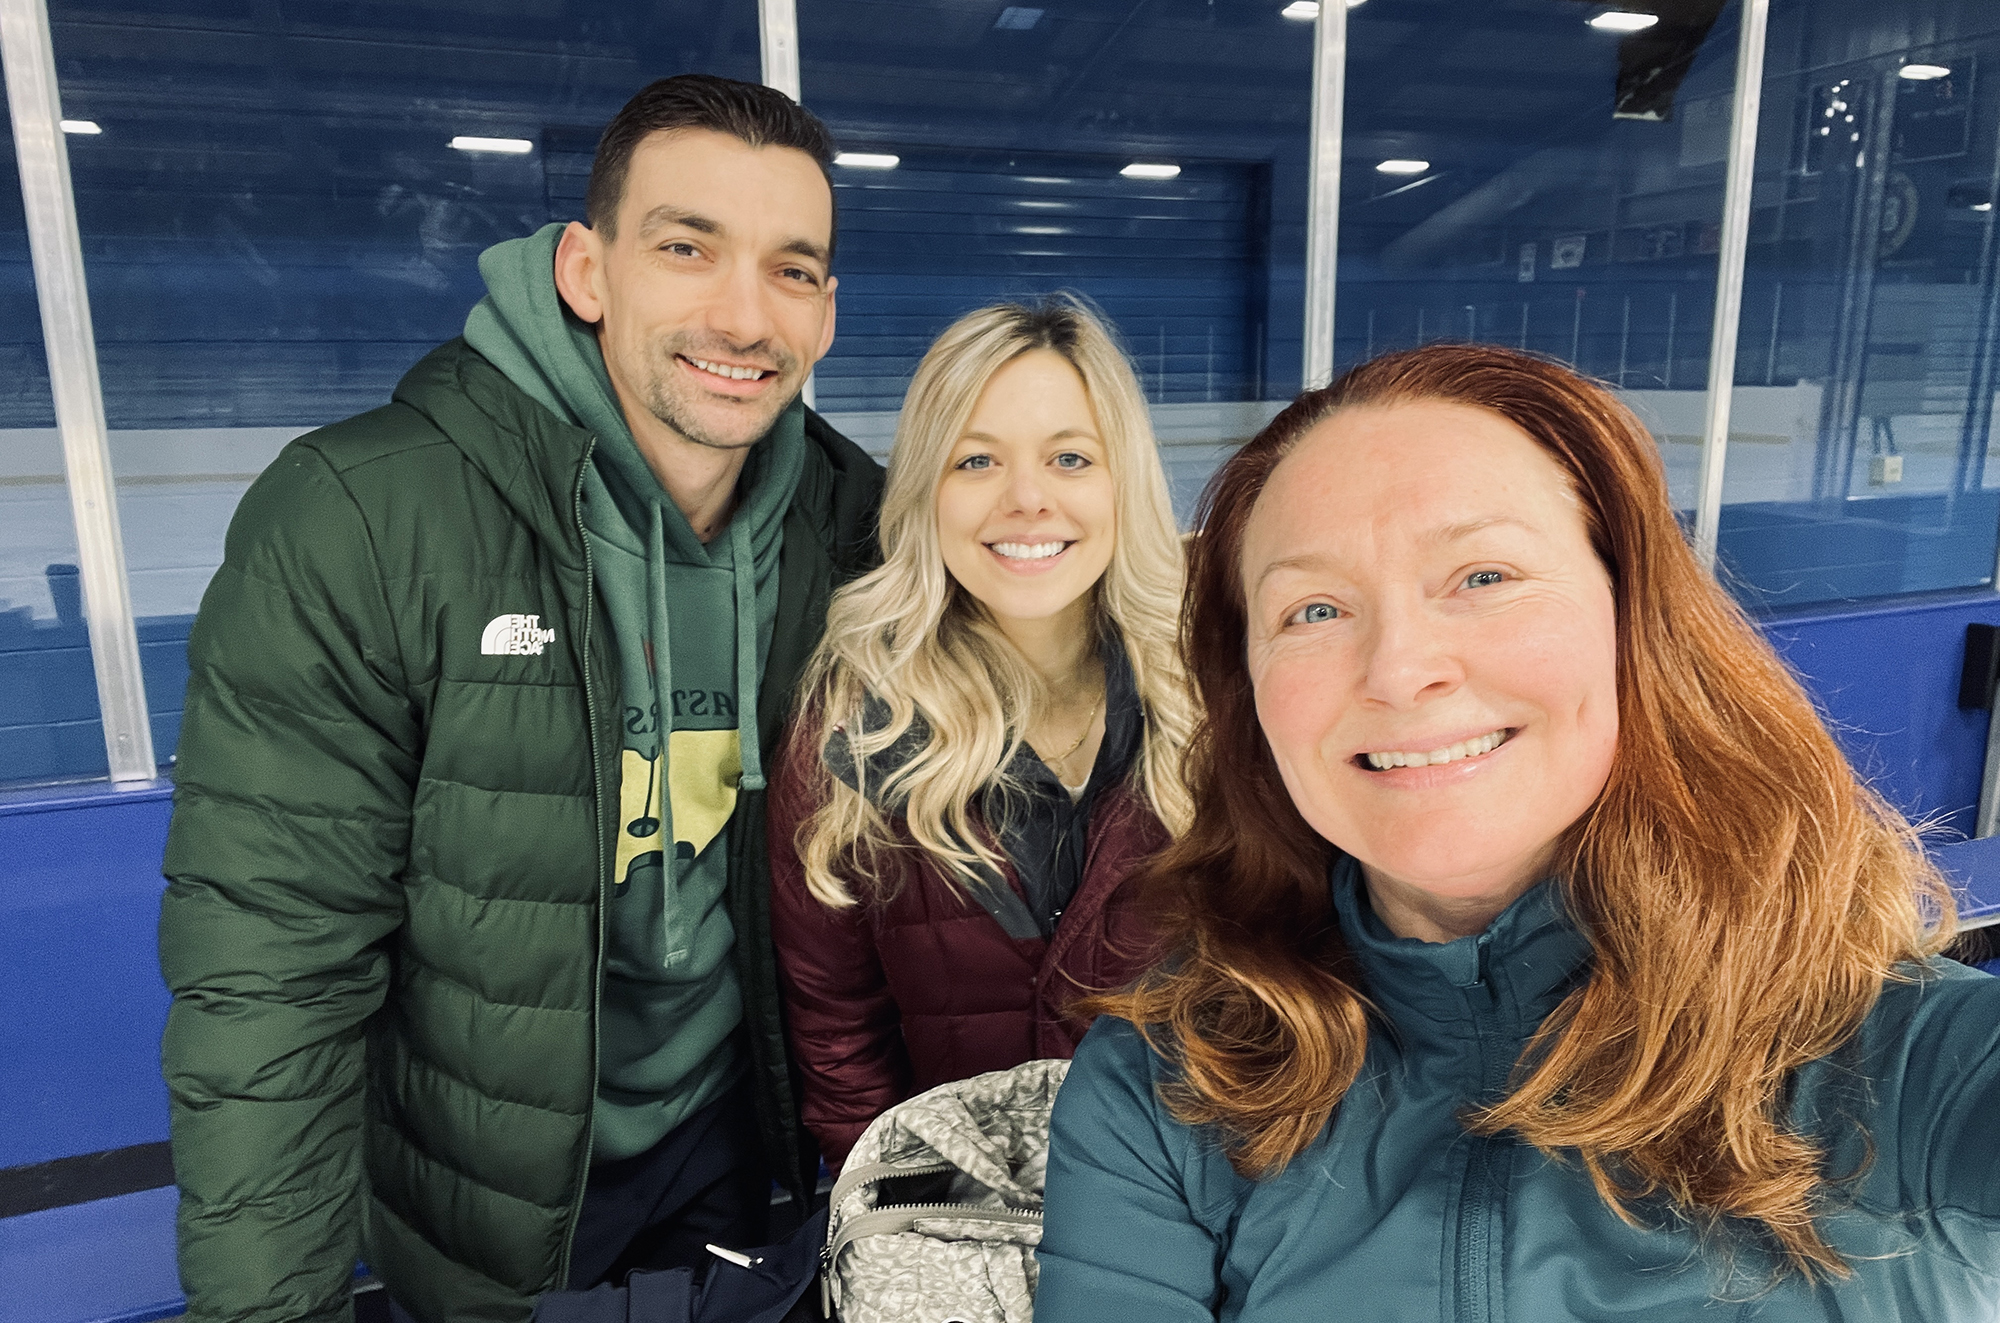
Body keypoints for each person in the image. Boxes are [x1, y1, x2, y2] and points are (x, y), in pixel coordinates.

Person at [1036, 343, 2000, 1320]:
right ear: (1249, 699)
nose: (1398, 668)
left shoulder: (1902, 1056)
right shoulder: (1166, 1088)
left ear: (1636, 621)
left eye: (1482, 575)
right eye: (1312, 608)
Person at [158, 75, 883, 1322]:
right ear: (586, 273)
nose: (742, 313)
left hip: (741, 1154)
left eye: (792, 270)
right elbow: (272, 976)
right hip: (479, 1190)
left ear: (825, 312)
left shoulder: (854, 528)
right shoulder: (363, 519)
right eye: (685, 247)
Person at [764, 297, 1193, 1169]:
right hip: (962, 1238)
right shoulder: (848, 732)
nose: (1027, 499)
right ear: (927, 486)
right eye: (977, 460)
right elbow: (839, 1036)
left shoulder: (1215, 700)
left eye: (1070, 457)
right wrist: (923, 1226)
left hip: (1196, 1218)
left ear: (1125, 480)